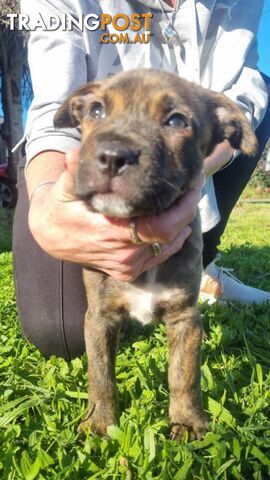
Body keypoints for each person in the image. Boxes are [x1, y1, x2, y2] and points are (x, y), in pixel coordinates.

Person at [13, 0, 270, 360]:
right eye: (98, 110)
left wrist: (194, 165)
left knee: (258, 100)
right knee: (59, 330)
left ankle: (202, 263)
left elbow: (245, 83)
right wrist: (44, 208)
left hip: (186, 162)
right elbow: (51, 110)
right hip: (77, 164)